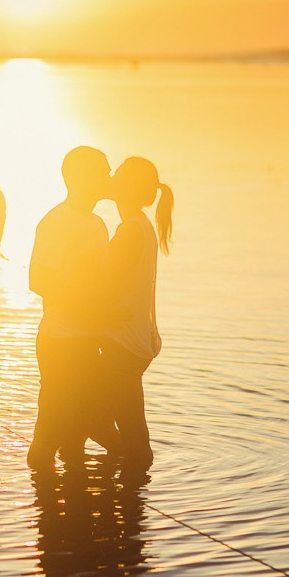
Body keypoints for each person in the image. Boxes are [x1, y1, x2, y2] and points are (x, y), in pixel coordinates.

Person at [27, 146, 112, 471]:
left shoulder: (97, 224)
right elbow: (38, 280)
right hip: (61, 340)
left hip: (90, 339)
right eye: (104, 171)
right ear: (83, 178)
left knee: (77, 434)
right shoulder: (56, 222)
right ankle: (46, 505)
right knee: (49, 430)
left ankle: (74, 508)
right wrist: (90, 310)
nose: (109, 177)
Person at [99, 156, 173, 473]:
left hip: (123, 342)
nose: (109, 178)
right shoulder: (140, 226)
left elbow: (103, 280)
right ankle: (130, 491)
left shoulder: (130, 230)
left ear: (124, 188)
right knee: (121, 418)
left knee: (102, 418)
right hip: (135, 339)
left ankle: (134, 481)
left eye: (115, 175)